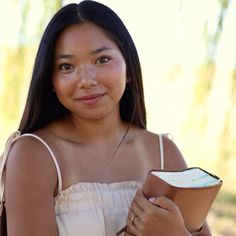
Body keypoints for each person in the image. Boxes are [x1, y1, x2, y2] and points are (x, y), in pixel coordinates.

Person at [0, 1, 212, 235]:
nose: (86, 80)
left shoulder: (164, 153)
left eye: (102, 60)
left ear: (129, 69)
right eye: (66, 66)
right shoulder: (34, 155)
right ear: (51, 80)